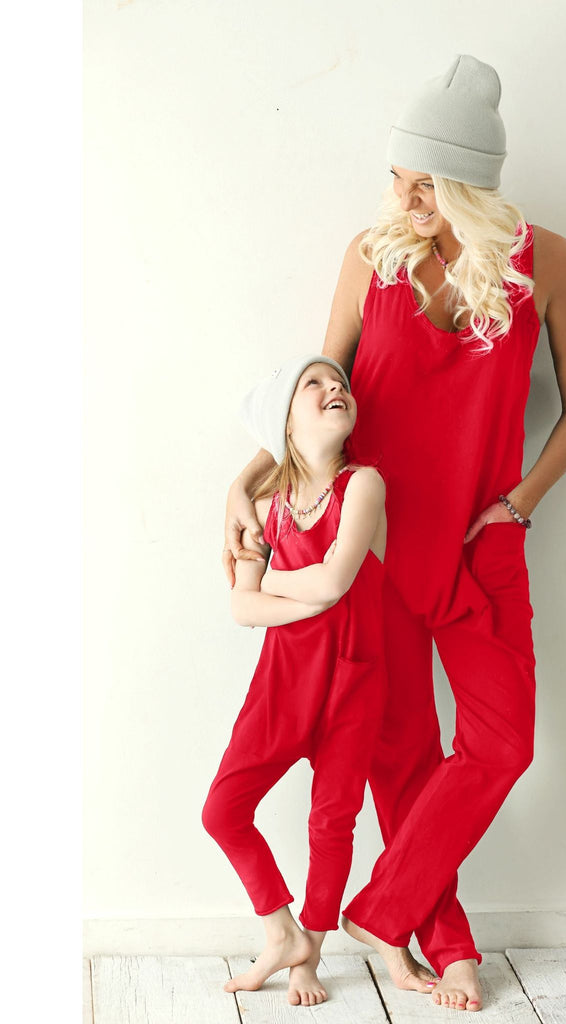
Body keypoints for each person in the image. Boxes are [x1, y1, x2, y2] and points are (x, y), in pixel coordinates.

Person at [223, 54, 566, 1013]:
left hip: (483, 543)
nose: (403, 198)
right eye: (397, 178)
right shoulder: (370, 254)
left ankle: (381, 910)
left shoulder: (548, 262)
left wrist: (520, 504)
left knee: (500, 744)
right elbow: (318, 398)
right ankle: (449, 941)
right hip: (373, 544)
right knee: (406, 758)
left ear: (470, 183)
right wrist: (243, 480)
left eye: (423, 182)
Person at [203, 354, 387, 1007]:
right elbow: (241, 607)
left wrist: (277, 583)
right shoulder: (265, 506)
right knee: (223, 809)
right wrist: (306, 596)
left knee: (332, 820)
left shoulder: (363, 484)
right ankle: (279, 930)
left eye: (339, 383)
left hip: (352, 677)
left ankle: (311, 950)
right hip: (283, 682)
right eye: (315, 383)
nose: (335, 388)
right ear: (283, 418)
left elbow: (335, 580)